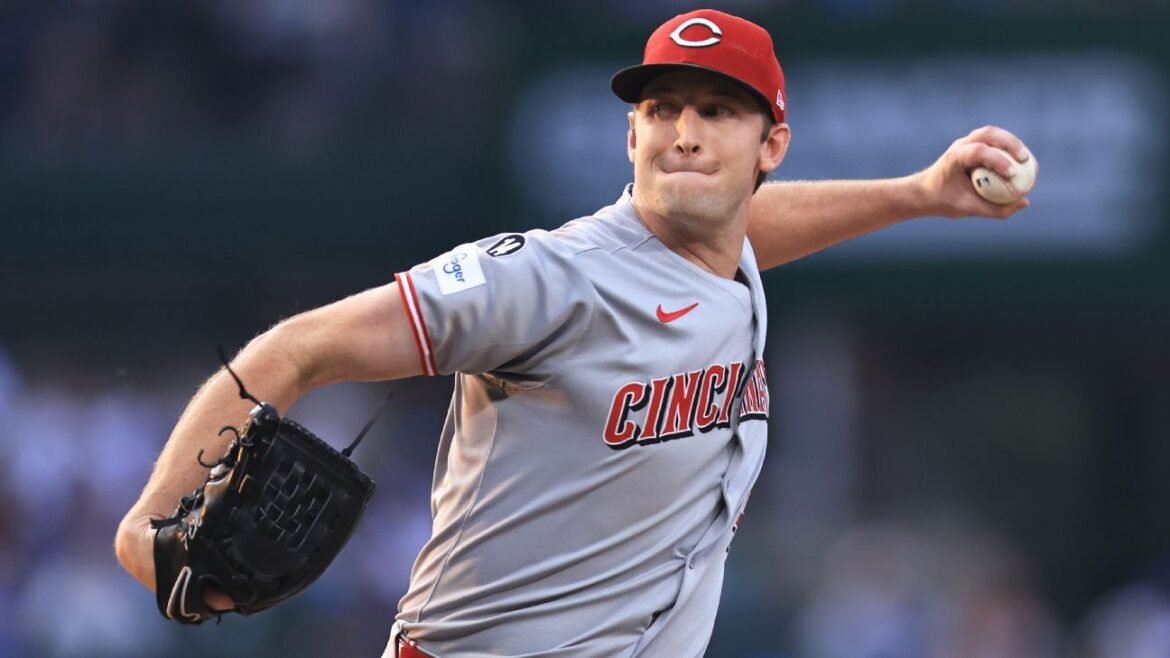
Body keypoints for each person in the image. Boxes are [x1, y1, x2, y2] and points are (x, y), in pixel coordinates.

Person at [115, 8, 1035, 658]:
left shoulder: (726, 253)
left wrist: (917, 194)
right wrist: (147, 522)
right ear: (631, 136)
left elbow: (745, 227)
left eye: (717, 111)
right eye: (662, 109)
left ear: (771, 147)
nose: (685, 134)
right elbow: (299, 347)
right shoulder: (548, 279)